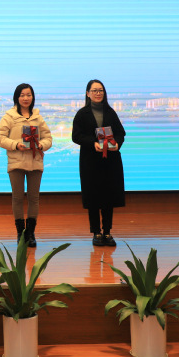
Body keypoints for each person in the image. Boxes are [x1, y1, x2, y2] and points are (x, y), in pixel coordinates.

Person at [0, 83, 52, 248]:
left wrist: (41, 145)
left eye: (28, 95)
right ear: (16, 97)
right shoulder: (9, 116)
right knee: (17, 198)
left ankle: (31, 232)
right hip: (16, 162)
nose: (25, 98)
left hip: (35, 162)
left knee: (34, 198)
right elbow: (0, 137)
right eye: (22, 95)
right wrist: (15, 144)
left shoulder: (38, 117)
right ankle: (20, 232)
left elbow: (48, 138)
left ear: (33, 97)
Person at [71, 79, 126, 247]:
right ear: (88, 93)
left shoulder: (110, 112)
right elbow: (76, 136)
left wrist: (116, 144)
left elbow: (120, 133)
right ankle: (96, 232)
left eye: (100, 90)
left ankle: (107, 231)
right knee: (93, 197)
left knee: (109, 196)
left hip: (110, 161)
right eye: (94, 90)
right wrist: (92, 143)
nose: (98, 93)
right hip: (90, 161)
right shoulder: (82, 114)